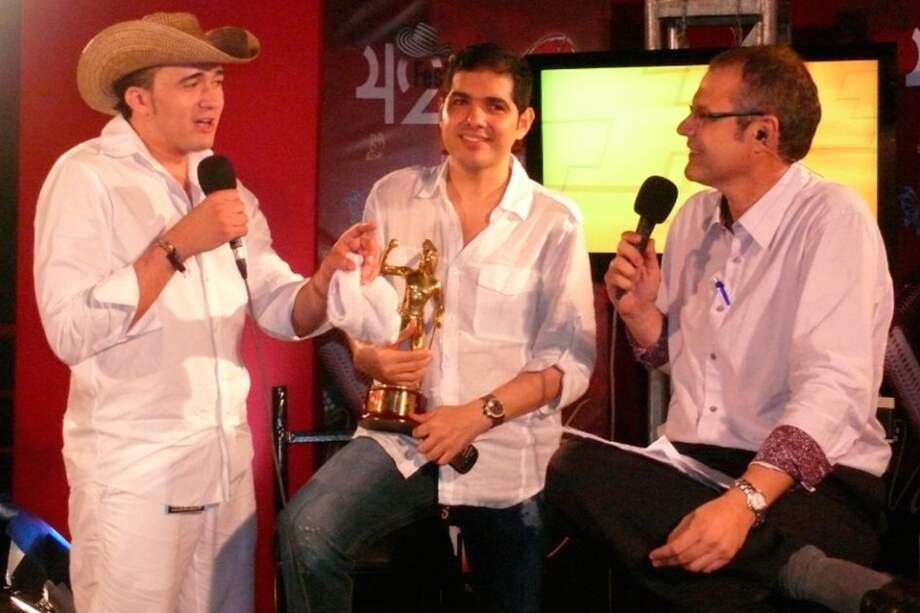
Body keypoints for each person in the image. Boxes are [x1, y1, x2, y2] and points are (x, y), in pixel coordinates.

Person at [546, 45, 920, 613]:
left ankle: (768, 562)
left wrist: (743, 502)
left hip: (811, 484)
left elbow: (836, 387)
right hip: (691, 468)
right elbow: (684, 359)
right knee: (562, 464)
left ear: (763, 133)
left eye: (702, 114)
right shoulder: (694, 218)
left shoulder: (832, 218)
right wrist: (641, 313)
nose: (685, 128)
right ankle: (799, 571)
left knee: (681, 566)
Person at [33, 12, 377, 613]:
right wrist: (176, 247)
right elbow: (70, 331)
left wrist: (325, 280)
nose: (212, 98)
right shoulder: (86, 176)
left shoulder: (220, 182)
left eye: (217, 81)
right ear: (139, 98)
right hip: (137, 474)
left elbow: (278, 307)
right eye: (191, 82)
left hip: (224, 469)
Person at [277, 43, 596, 613]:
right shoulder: (393, 195)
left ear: (523, 121)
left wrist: (478, 414)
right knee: (307, 531)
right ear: (442, 111)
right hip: (403, 439)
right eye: (461, 102)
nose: (475, 119)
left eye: (495, 106)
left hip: (505, 453)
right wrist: (366, 354)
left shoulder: (556, 221)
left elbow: (568, 363)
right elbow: (361, 306)